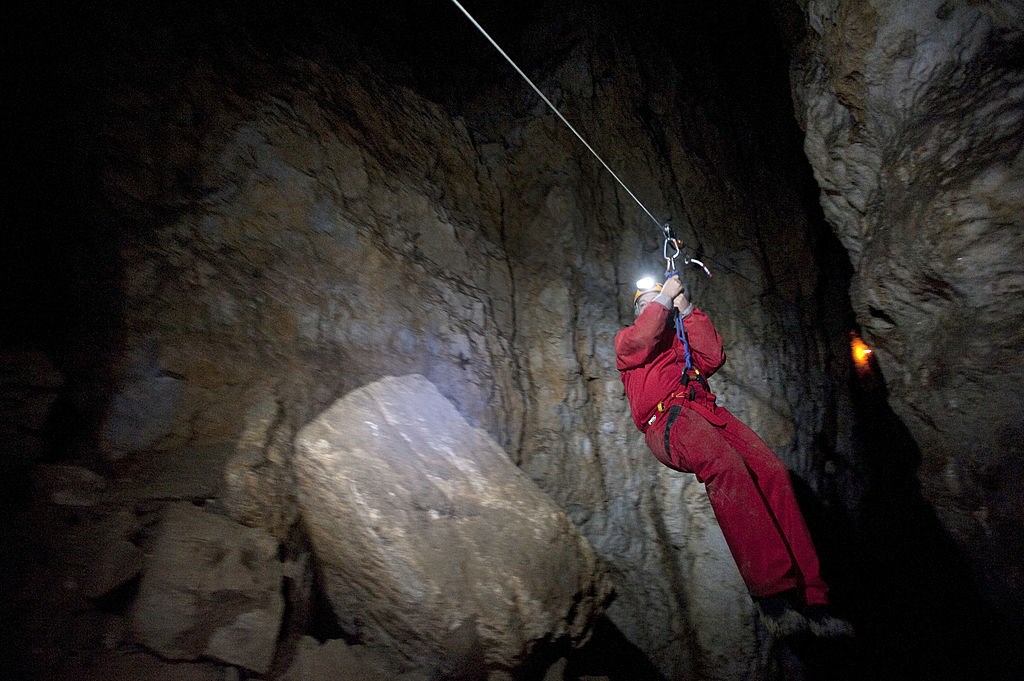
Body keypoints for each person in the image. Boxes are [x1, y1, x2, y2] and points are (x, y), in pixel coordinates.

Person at [614, 274, 853, 640]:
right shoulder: (628, 343)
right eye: (646, 305)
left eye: (658, 303)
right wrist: (663, 297)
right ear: (639, 314)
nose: (656, 308)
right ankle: (772, 594)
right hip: (667, 419)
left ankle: (814, 598)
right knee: (725, 467)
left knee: (771, 472)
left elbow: (713, 355)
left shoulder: (681, 346)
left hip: (706, 412)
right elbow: (643, 336)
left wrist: (686, 308)